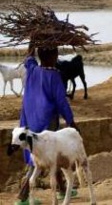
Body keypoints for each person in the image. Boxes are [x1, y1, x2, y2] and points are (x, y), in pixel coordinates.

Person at [14, 45, 79, 205]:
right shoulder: (54, 76)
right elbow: (62, 102)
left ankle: (62, 190)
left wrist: (33, 41)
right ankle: (23, 196)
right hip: (46, 121)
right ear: (55, 55)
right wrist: (71, 121)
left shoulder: (32, 69)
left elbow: (29, 57)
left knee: (50, 154)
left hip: (29, 119)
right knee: (41, 157)